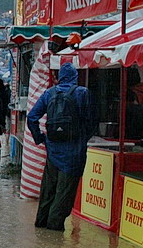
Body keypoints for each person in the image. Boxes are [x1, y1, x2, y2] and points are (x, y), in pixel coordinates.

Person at [27, 62, 96, 231]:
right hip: (74, 153)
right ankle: (53, 234)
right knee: (64, 194)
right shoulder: (82, 93)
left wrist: (41, 138)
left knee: (48, 191)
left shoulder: (49, 93)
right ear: (75, 77)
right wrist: (82, 138)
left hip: (52, 152)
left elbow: (32, 117)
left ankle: (41, 227)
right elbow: (92, 121)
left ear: (59, 78)